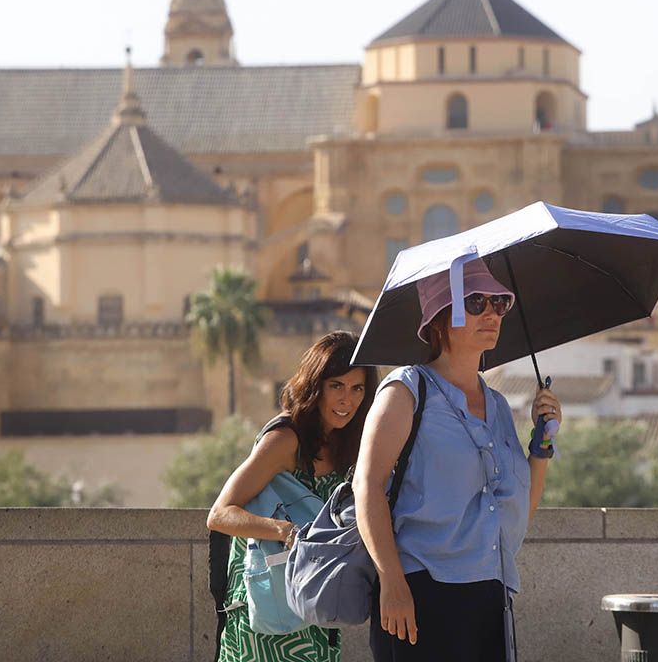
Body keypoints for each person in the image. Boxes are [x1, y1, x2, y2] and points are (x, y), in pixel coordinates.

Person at [353, 258, 563, 661]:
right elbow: (367, 486)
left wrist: (541, 446)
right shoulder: (406, 391)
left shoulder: (500, 405)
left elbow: (518, 508)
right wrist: (391, 580)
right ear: (440, 318)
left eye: (500, 302)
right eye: (476, 301)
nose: (492, 313)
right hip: (421, 589)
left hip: (490, 593)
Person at [207, 330, 379, 662]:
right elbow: (220, 514)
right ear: (316, 388)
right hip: (265, 612)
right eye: (336, 386)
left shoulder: (349, 446)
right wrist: (287, 532)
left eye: (357, 388)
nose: (348, 400)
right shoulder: (286, 440)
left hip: (316, 606)